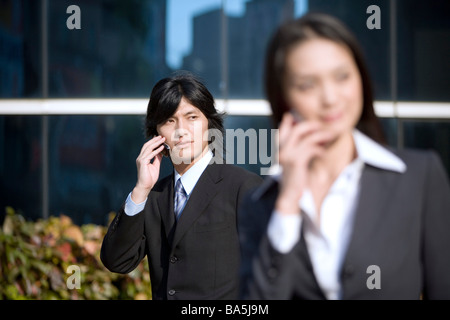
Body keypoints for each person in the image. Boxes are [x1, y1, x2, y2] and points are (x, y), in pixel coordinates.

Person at [238, 13, 450, 300]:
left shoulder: (419, 178)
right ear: (283, 98)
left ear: (360, 77)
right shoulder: (260, 204)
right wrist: (287, 203)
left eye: (342, 77)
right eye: (307, 85)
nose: (330, 98)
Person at [101, 72, 263, 300]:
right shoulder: (153, 196)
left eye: (192, 117)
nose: (181, 131)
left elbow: (271, 273)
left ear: (210, 123)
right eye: (169, 120)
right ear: (157, 133)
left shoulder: (243, 187)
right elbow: (117, 260)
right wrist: (140, 191)